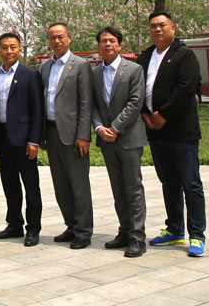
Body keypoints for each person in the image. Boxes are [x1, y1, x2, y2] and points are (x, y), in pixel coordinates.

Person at [137, 11, 206, 257]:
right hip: (155, 131)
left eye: (162, 25)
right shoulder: (145, 56)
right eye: (153, 26)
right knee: (169, 182)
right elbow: (137, 87)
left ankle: (197, 235)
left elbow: (186, 87)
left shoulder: (184, 55)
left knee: (191, 184)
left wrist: (163, 114)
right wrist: (144, 113)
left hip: (180, 131)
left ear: (173, 28)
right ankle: (175, 229)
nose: (157, 29)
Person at [91, 26, 147, 258]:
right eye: (103, 41)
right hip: (107, 140)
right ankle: (124, 231)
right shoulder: (94, 73)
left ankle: (137, 237)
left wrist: (115, 127)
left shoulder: (134, 69)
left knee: (133, 188)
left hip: (129, 138)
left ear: (120, 45)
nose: (108, 44)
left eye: (112, 41)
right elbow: (92, 104)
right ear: (99, 46)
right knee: (118, 189)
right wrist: (99, 128)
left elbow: (136, 102)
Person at [39, 21, 94, 249]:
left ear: (69, 38)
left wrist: (83, 135)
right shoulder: (45, 67)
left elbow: (86, 102)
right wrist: (41, 134)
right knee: (60, 185)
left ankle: (84, 231)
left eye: (60, 36)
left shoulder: (80, 65)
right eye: (52, 37)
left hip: (73, 134)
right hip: (52, 132)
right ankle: (71, 225)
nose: (56, 41)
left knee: (79, 185)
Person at [0, 32, 44, 247]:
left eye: (13, 47)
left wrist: (34, 140)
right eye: (4, 47)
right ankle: (14, 224)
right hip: (2, 138)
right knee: (9, 184)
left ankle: (33, 228)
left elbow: (37, 110)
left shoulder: (30, 75)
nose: (9, 51)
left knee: (31, 186)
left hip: (24, 139)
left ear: (20, 50)